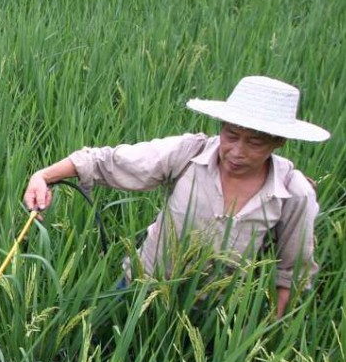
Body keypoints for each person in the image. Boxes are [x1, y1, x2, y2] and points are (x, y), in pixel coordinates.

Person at [23, 76, 329, 318]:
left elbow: (292, 272)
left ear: (278, 142)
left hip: (215, 314)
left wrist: (266, 337)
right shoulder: (188, 153)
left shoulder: (293, 192)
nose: (237, 152)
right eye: (231, 136)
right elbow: (108, 161)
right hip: (142, 287)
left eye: (255, 143)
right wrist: (43, 176)